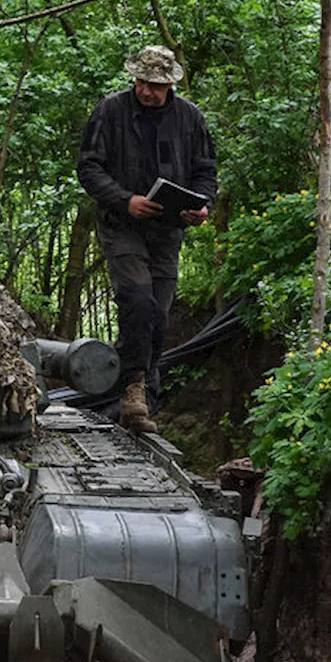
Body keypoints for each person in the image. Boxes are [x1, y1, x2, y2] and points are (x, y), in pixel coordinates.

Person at [76, 45, 216, 434]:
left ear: (169, 84)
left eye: (154, 85)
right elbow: (88, 167)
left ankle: (144, 392)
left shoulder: (190, 118)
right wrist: (126, 200)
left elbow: (206, 172)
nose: (145, 91)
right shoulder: (110, 111)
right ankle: (134, 389)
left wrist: (202, 205)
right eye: (140, 82)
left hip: (167, 230)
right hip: (122, 225)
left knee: (158, 311)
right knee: (137, 299)